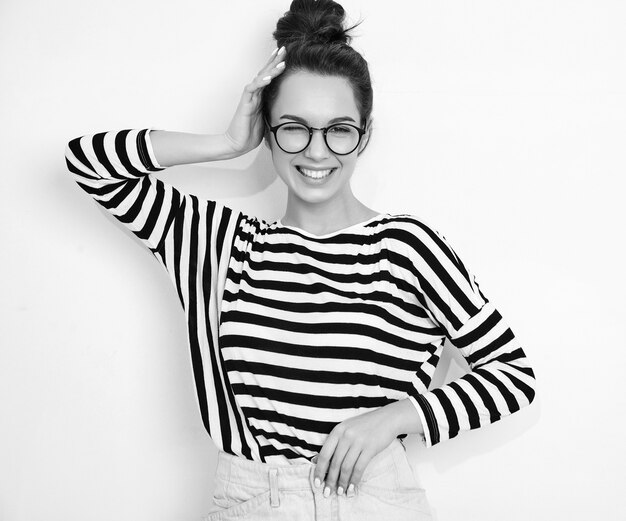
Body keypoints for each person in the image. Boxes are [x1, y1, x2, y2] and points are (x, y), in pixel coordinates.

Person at [64, 0, 536, 519]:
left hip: (374, 499)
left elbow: (513, 375)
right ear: (267, 132)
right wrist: (226, 143)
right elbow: (89, 162)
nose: (317, 151)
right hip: (253, 498)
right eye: (293, 127)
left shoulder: (407, 247)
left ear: (365, 134)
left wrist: (393, 418)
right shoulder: (216, 242)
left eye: (339, 128)